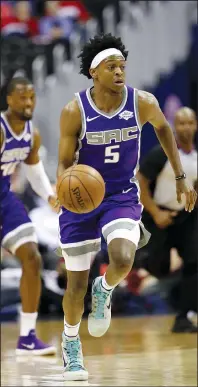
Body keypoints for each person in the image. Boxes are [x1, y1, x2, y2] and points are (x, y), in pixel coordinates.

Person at [56, 33, 197, 381]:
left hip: (120, 194)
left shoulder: (142, 102)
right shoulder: (75, 110)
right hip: (81, 200)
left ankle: (104, 288)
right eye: (111, 67)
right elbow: (63, 165)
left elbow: (165, 130)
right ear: (94, 72)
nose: (120, 72)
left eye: (123, 66)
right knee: (75, 287)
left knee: (121, 258)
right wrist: (65, 185)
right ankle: (71, 343)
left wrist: (180, 176)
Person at [0, 77, 60, 355]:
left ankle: (27, 336)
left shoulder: (31, 134)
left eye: (32, 97)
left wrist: (49, 194)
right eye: (22, 97)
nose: (28, 103)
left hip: (4, 197)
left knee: (32, 258)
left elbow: (34, 170)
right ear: (9, 100)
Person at [136, 107, 197, 333]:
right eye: (181, 123)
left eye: (190, 123)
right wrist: (155, 212)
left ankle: (183, 317)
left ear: (196, 125)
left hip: (185, 217)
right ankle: (140, 262)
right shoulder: (161, 153)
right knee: (159, 267)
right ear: (174, 127)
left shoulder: (195, 157)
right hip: (158, 215)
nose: (186, 127)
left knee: (195, 262)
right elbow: (139, 183)